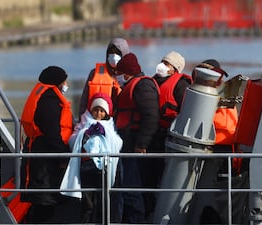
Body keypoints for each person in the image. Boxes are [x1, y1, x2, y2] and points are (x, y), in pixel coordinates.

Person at [187, 59, 247, 224]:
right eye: (215, 76)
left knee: (225, 195)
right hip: (213, 150)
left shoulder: (227, 96)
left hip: (229, 151)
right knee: (211, 195)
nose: (219, 80)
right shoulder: (200, 96)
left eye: (219, 76)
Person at [19, 66, 81, 224]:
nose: (65, 84)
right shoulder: (50, 101)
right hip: (45, 159)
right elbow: (52, 132)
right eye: (64, 81)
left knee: (43, 202)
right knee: (44, 201)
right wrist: (62, 156)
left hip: (41, 153)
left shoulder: (46, 96)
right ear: (57, 82)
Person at [142, 51, 193, 221]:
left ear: (175, 69)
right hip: (152, 137)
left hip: (169, 137)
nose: (162, 65)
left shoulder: (180, 85)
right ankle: (148, 209)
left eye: (167, 63)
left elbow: (186, 110)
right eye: (162, 61)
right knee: (148, 176)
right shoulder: (152, 81)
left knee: (164, 176)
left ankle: (162, 210)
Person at [60, 92, 123, 223]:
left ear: (106, 113)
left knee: (103, 200)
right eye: (96, 110)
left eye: (101, 111)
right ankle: (87, 221)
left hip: (104, 169)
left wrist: (106, 134)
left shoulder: (110, 126)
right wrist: (85, 134)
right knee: (87, 201)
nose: (98, 114)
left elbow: (118, 143)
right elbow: (72, 140)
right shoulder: (83, 123)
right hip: (86, 167)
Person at [113, 52, 160, 223]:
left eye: (118, 74)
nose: (116, 77)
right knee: (128, 187)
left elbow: (151, 116)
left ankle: (137, 220)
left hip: (135, 146)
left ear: (126, 74)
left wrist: (142, 144)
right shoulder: (134, 85)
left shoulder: (142, 86)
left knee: (132, 188)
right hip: (128, 144)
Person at [78, 37, 130, 117]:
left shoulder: (129, 74)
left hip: (121, 121)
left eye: (118, 53)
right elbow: (84, 101)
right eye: (111, 53)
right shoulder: (94, 73)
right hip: (98, 120)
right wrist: (81, 120)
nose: (114, 56)